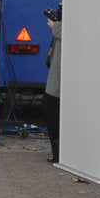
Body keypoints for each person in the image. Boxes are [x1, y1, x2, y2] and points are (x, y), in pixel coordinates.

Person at [44, 11, 62, 163]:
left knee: (52, 112)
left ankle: (59, 153)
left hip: (58, 85)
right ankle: (57, 152)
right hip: (56, 83)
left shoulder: (62, 30)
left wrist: (55, 26)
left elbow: (68, 33)